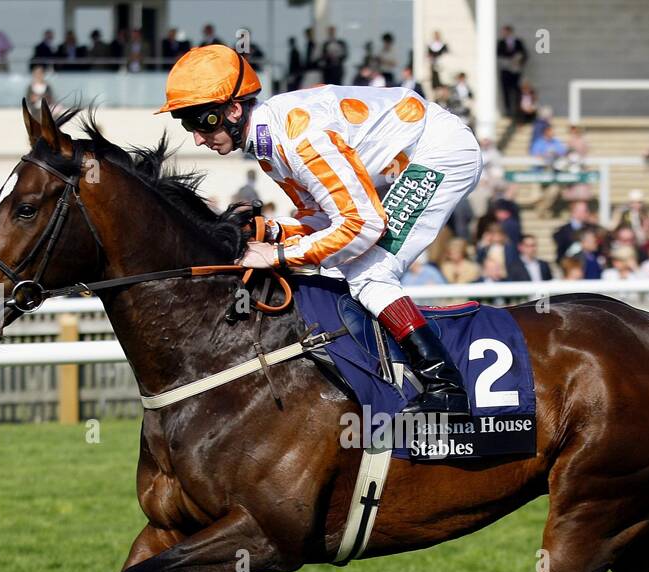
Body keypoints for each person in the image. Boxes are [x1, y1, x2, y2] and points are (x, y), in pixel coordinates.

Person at [156, 45, 484, 416]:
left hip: (440, 151)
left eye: (203, 122)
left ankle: (446, 387)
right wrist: (272, 230)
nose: (198, 137)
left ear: (233, 110)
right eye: (188, 125)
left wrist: (278, 254)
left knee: (369, 272)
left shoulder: (298, 138)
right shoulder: (268, 146)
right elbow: (324, 220)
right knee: (331, 269)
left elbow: (363, 224)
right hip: (400, 164)